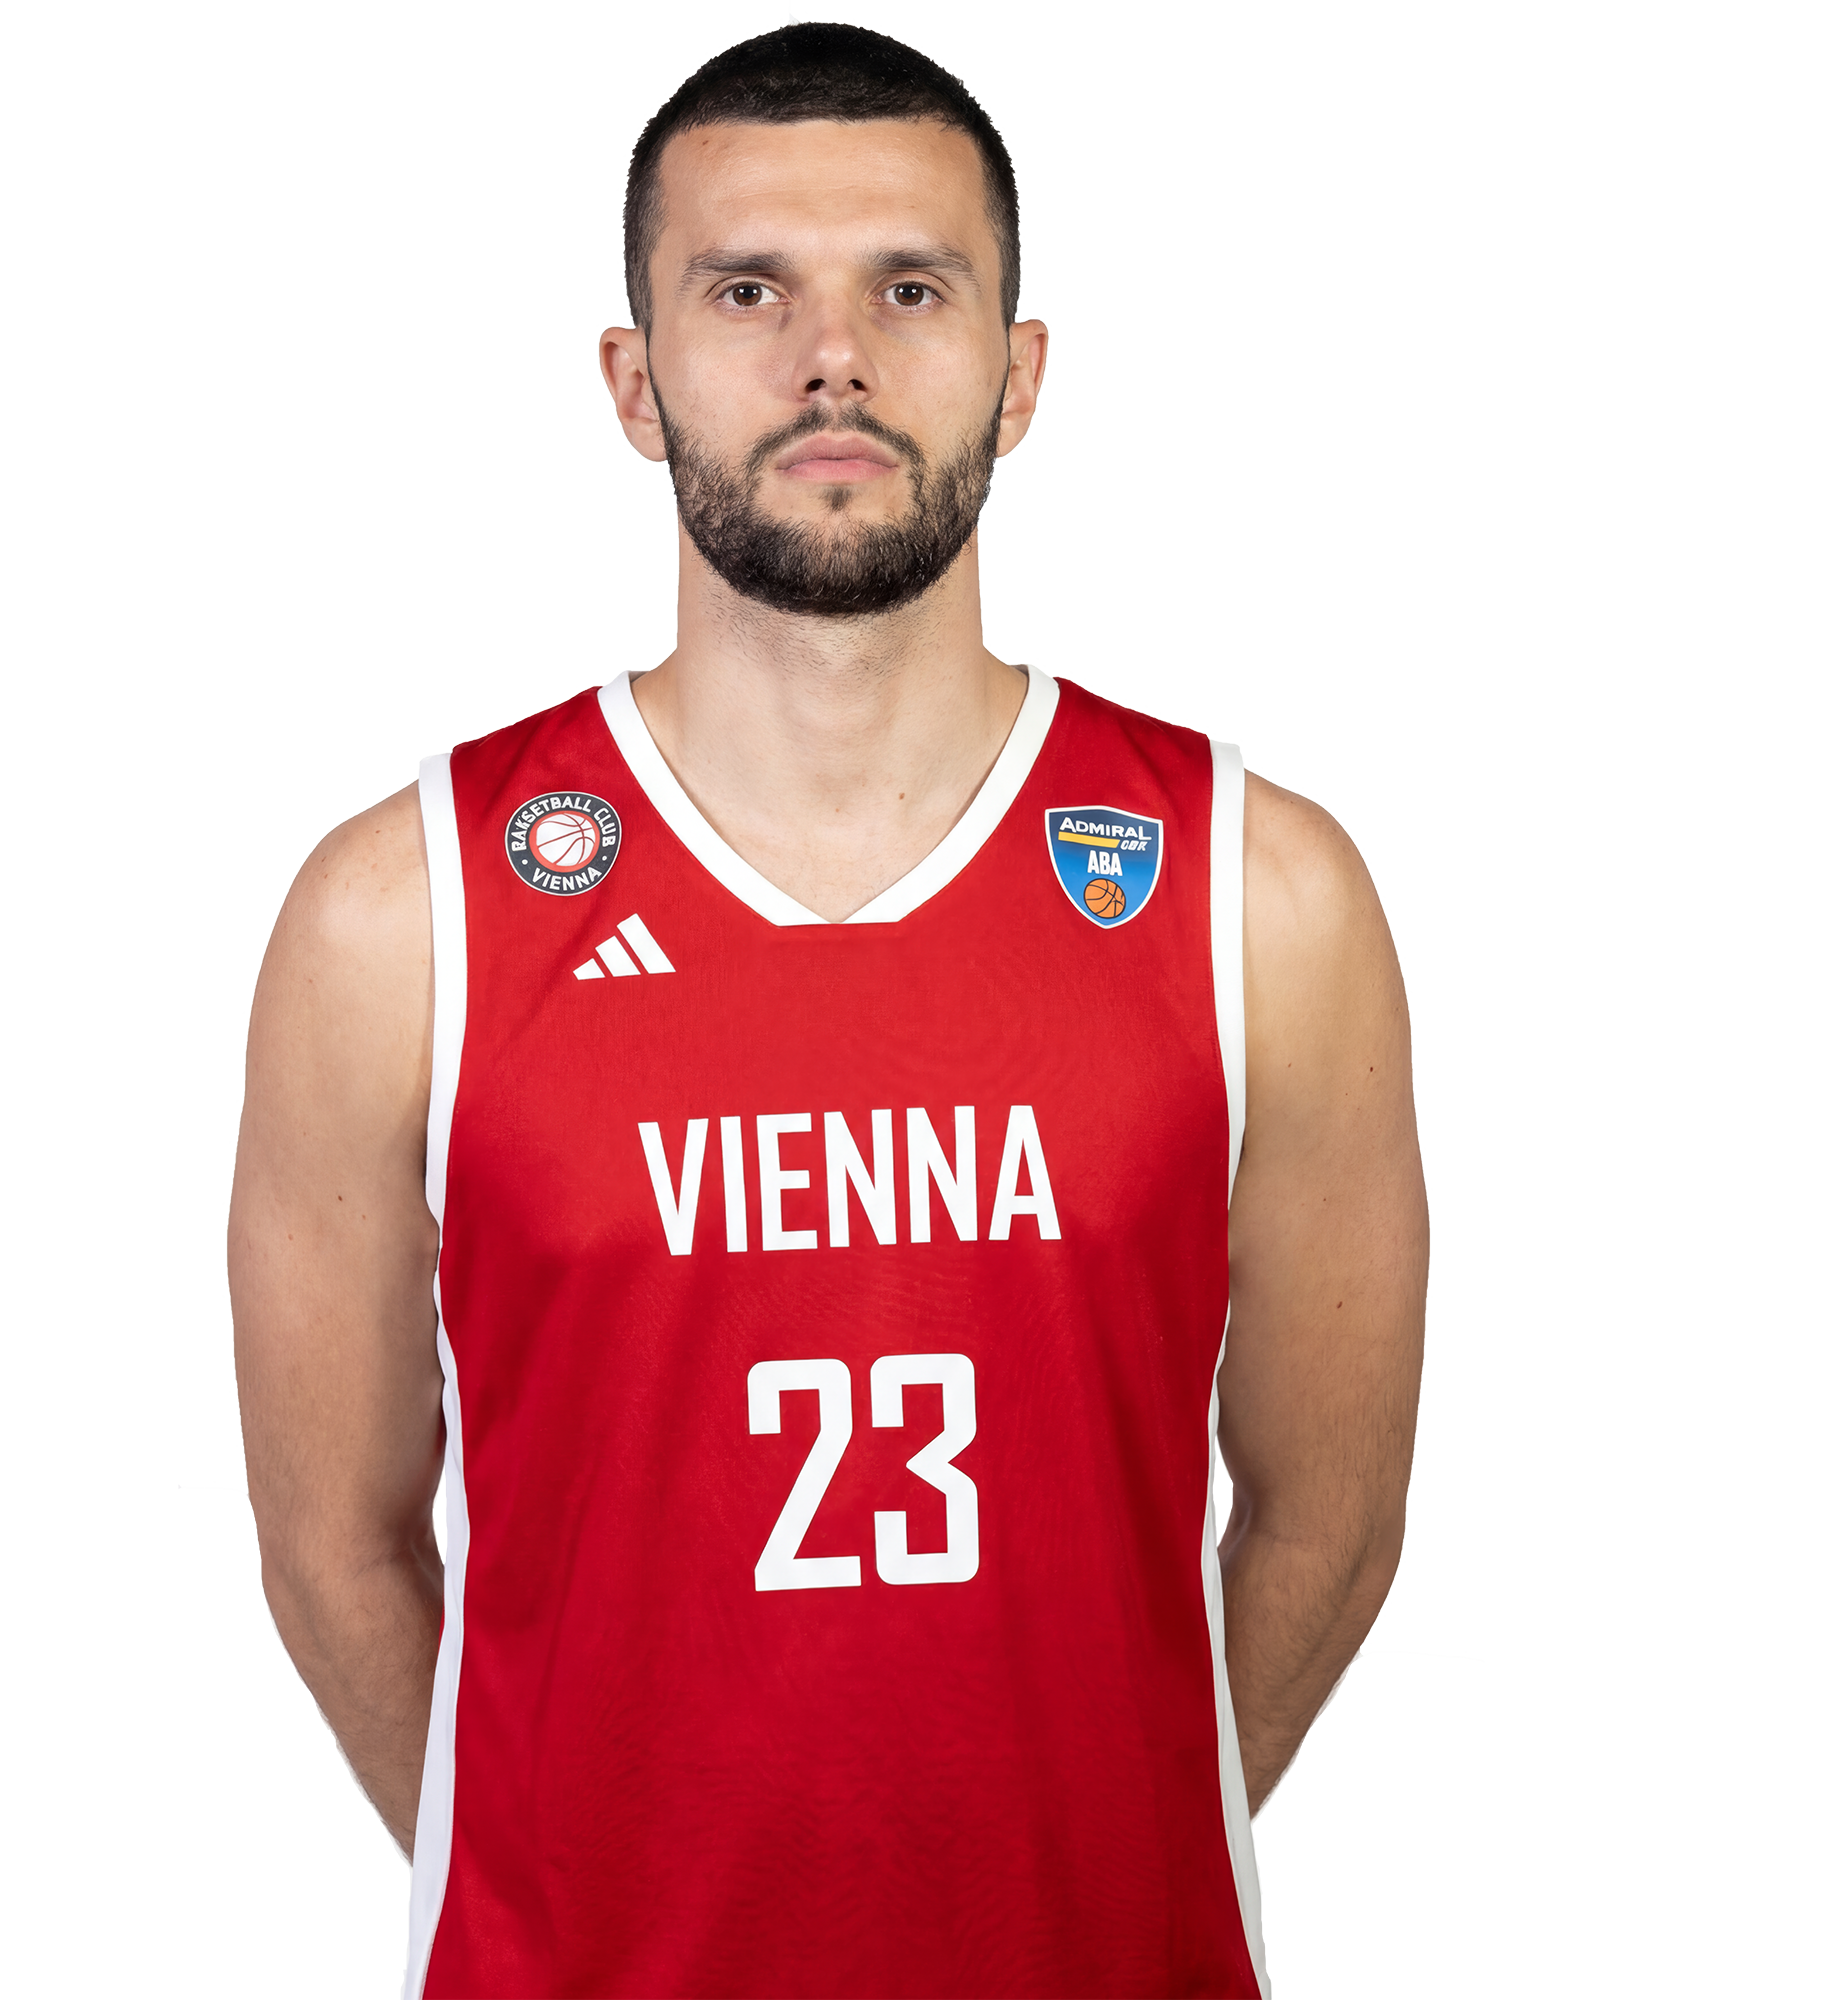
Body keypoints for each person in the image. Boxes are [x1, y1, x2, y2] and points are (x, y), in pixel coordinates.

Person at [231, 23, 1426, 1999]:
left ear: (1022, 372)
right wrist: (565, 1883)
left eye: (911, 289)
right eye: (746, 291)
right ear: (633, 380)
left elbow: (1334, 1523)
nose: (832, 360)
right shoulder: (401, 914)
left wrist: (1099, 1852)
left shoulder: (1259, 894)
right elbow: (333, 1551)